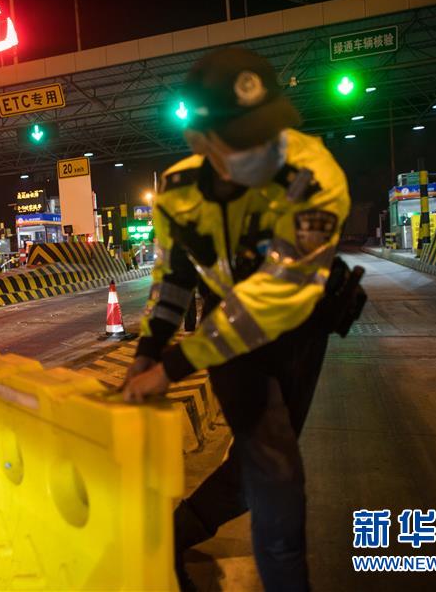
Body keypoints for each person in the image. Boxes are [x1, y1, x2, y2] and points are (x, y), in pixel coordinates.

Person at [121, 47, 361, 591]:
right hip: (227, 335)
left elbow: (280, 296)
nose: (265, 148)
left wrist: (172, 367)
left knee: (261, 470)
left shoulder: (313, 176)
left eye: (268, 130)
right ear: (201, 140)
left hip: (299, 331)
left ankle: (167, 537)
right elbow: (172, 281)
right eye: (244, 139)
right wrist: (147, 351)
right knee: (276, 474)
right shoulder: (178, 194)